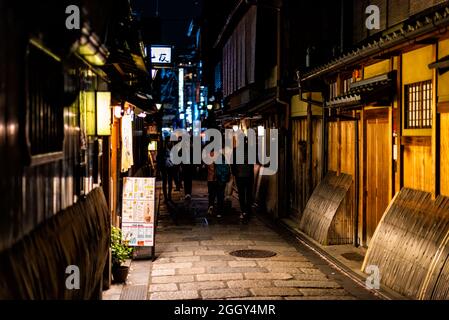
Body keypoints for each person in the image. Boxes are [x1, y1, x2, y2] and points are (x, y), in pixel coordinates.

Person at [232, 138, 254, 219]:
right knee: (248, 194)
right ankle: (247, 210)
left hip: (240, 175)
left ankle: (244, 210)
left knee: (241, 194)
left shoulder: (235, 151)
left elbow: (232, 163)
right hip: (247, 175)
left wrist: (235, 173)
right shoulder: (250, 150)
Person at [215, 150, 231, 218]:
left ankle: (219, 211)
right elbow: (228, 172)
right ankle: (221, 209)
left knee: (219, 195)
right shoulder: (226, 164)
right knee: (222, 194)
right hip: (224, 181)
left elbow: (217, 173)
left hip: (219, 181)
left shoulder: (218, 165)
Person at [158, 137, 174, 202]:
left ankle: (169, 196)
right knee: (165, 182)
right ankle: (165, 197)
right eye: (168, 141)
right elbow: (159, 158)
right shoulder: (162, 149)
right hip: (164, 167)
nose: (169, 142)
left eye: (170, 141)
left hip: (170, 167)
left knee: (170, 182)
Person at [207, 150, 217, 215]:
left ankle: (211, 205)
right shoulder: (218, 154)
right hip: (217, 178)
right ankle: (214, 205)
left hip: (210, 177)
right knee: (215, 192)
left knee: (210, 193)